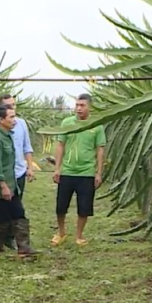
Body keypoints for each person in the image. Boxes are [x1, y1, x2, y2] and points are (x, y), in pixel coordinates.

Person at [52, 94, 106, 247]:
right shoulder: (67, 123)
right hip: (67, 171)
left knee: (84, 207)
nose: (78, 108)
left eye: (82, 105)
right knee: (61, 206)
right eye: (77, 105)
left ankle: (79, 235)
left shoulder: (97, 125)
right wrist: (57, 168)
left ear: (90, 107)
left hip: (87, 173)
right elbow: (61, 145)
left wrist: (98, 172)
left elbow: (100, 149)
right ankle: (61, 232)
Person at [0, 105, 36, 257]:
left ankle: (1, 247)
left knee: (8, 214)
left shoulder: (7, 136)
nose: (15, 120)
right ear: (1, 120)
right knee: (12, 214)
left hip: (11, 184)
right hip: (2, 186)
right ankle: (18, 248)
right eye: (11, 117)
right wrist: (3, 186)